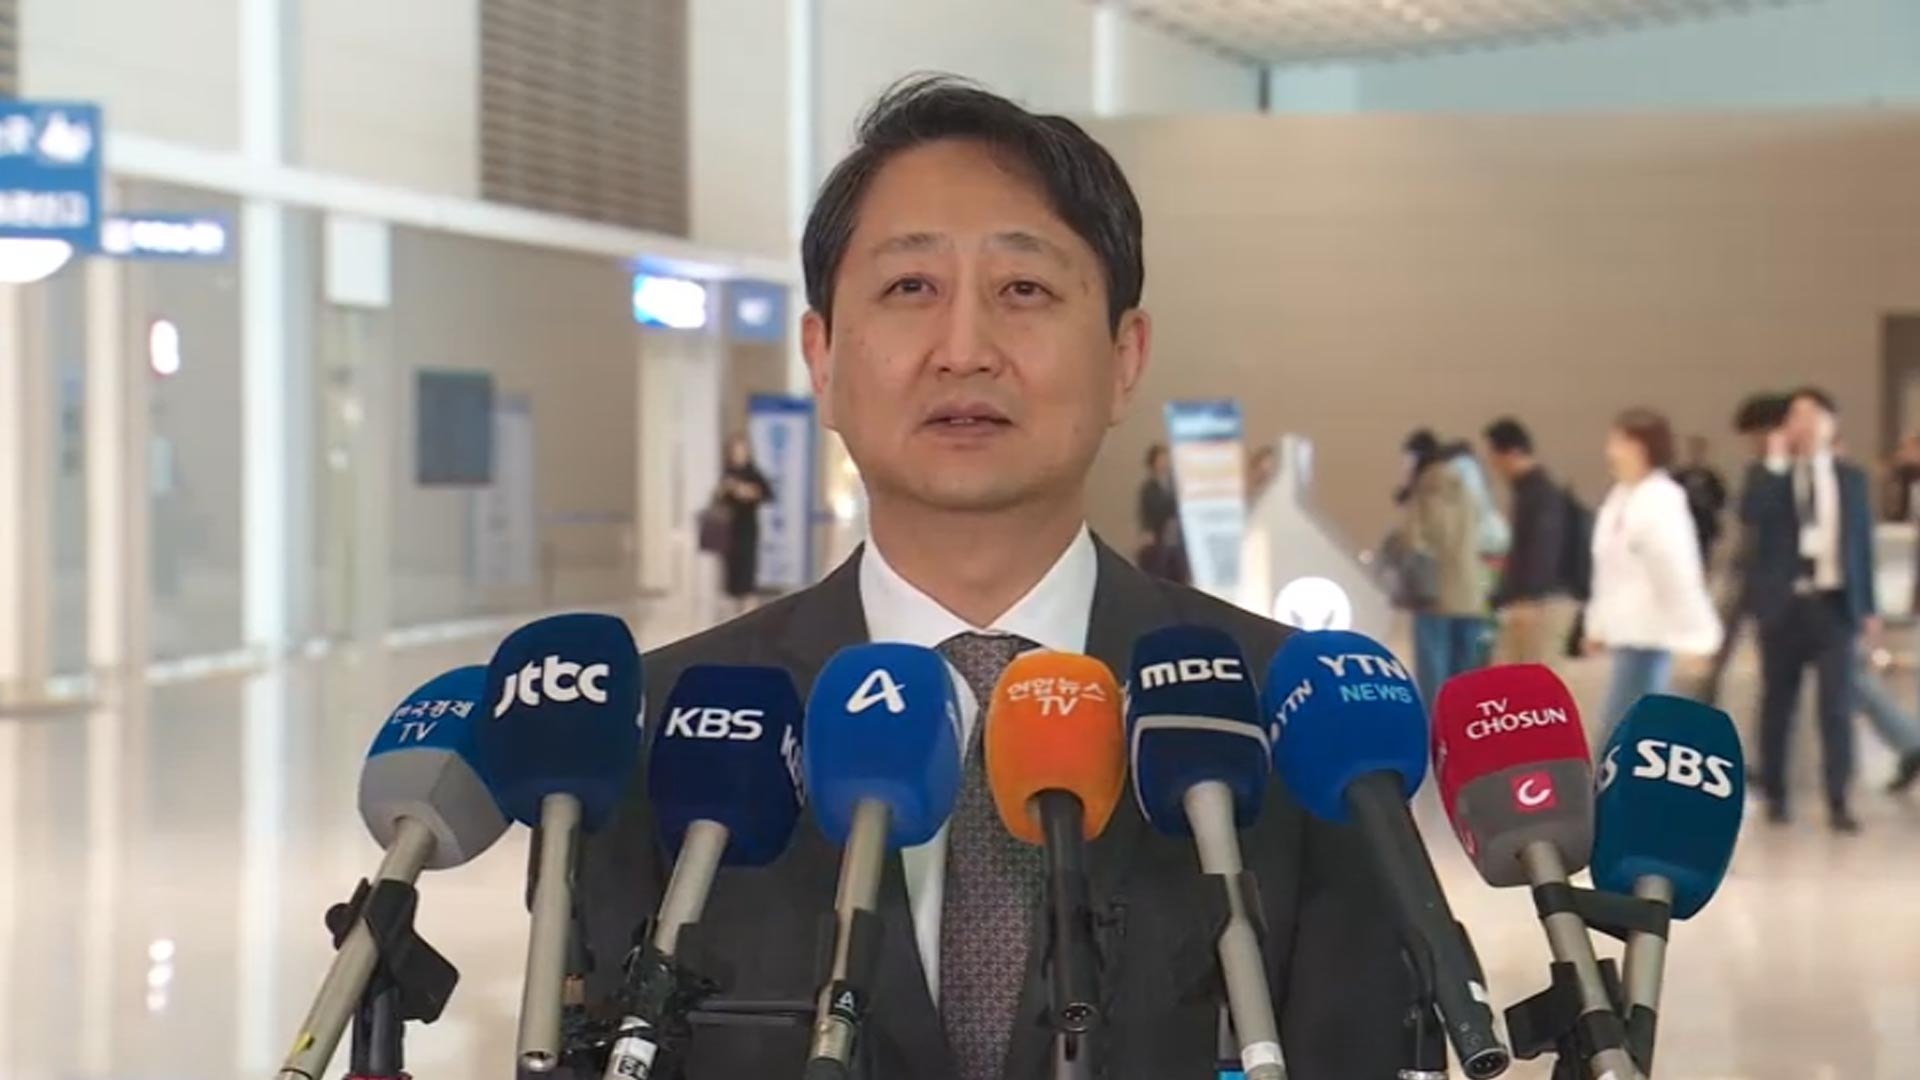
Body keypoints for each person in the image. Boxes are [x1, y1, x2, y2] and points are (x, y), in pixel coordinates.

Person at [574, 76, 1404, 1079]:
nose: (964, 351)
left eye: (1024, 291)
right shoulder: (657, 734)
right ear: (822, 358)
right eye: (909, 288)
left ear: (1125, 356)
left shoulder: (1292, 721)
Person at [1744, 387, 1879, 833]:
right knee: (1777, 704)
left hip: (1834, 605)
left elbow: (1861, 545)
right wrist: (1776, 463)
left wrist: (1868, 605)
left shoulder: (1850, 478)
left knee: (1837, 707)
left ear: (1830, 423)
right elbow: (1751, 517)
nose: (1801, 423)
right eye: (1794, 416)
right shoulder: (1768, 475)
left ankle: (1839, 798)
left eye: (1811, 414)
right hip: (1783, 607)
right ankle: (1776, 795)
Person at [1583, 408, 1723, 734]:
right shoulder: (1620, 498)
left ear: (1639, 448)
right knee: (1627, 729)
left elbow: (1676, 571)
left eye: (1617, 443)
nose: (1610, 452)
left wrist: (1697, 636)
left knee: (1625, 730)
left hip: (1651, 635)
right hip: (1627, 632)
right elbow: (1607, 573)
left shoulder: (1662, 500)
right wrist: (1597, 625)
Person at [1698, 393, 1790, 707]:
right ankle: (1704, 707)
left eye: (1757, 435)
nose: (1754, 444)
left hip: (1778, 578)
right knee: (1721, 645)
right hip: (1749, 571)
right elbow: (1747, 512)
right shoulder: (1757, 471)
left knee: (1776, 655)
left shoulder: (1794, 472)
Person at [1403, 430, 1489, 704]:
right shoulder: (1469, 490)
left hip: (1435, 596)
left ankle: (1439, 728)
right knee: (1466, 675)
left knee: (1434, 680)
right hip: (1471, 594)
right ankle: (1466, 725)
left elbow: (1413, 541)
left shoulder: (1426, 489)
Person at [1483, 417, 1577, 664]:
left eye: (1496, 458)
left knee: (1533, 676)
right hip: (1532, 602)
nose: (1495, 467)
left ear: (1513, 453)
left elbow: (1542, 548)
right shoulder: (1530, 491)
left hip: (1540, 605)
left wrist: (1528, 599)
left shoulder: (1539, 494)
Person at [717, 434, 774, 613]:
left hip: (748, 527)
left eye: (741, 450)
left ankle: (748, 604)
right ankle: (735, 603)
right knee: (732, 567)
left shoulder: (753, 473)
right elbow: (720, 500)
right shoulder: (728, 473)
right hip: (730, 528)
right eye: (735, 451)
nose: (738, 455)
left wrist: (745, 491)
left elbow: (767, 495)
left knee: (747, 565)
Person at [1135, 442, 1188, 583]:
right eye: (1161, 459)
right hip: (1159, 535)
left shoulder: (1176, 484)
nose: (1164, 462)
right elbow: (1146, 513)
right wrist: (1147, 532)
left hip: (1177, 533)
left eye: (1166, 458)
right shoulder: (1148, 488)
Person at [1672, 434, 1729, 566]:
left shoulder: (1711, 477)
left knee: (1703, 557)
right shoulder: (1679, 476)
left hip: (1704, 524)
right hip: (1685, 522)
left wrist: (1707, 502)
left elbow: (1721, 499)